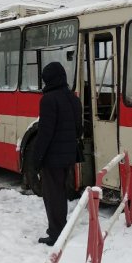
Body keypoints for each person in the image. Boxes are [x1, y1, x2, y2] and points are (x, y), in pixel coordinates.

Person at [33, 62, 82, 246]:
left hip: (52, 158)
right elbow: (79, 129)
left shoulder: (48, 100)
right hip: (68, 156)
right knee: (61, 192)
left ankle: (56, 233)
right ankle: (62, 228)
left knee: (52, 196)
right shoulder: (73, 98)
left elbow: (45, 133)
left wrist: (37, 159)